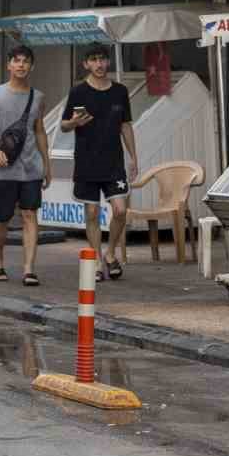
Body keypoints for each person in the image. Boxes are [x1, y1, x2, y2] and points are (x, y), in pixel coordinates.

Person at [62, 43, 138, 281]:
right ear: (85, 64)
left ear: (108, 62)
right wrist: (74, 122)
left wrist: (134, 157)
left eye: (102, 59)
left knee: (120, 210)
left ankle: (111, 253)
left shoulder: (120, 91)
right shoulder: (78, 92)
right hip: (86, 162)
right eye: (93, 60)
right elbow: (64, 125)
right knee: (92, 213)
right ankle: (95, 260)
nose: (99, 64)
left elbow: (125, 125)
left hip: (114, 162)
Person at [0, 44, 51, 286]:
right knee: (2, 218)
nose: (21, 65)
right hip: (3, 167)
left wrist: (47, 164)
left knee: (30, 214)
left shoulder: (38, 97)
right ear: (9, 64)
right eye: (17, 60)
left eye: (25, 61)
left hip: (31, 166)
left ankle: (29, 269)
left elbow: (40, 132)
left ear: (32, 66)